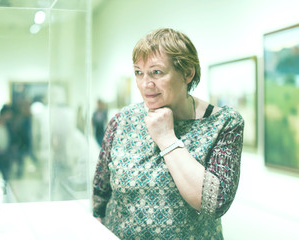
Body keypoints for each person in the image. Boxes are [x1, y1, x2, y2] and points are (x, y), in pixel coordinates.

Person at [92, 28, 244, 239]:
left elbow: (214, 203)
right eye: (139, 72)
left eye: (156, 72)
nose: (146, 84)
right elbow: (100, 193)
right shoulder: (122, 120)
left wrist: (167, 139)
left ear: (188, 73)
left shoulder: (223, 123)